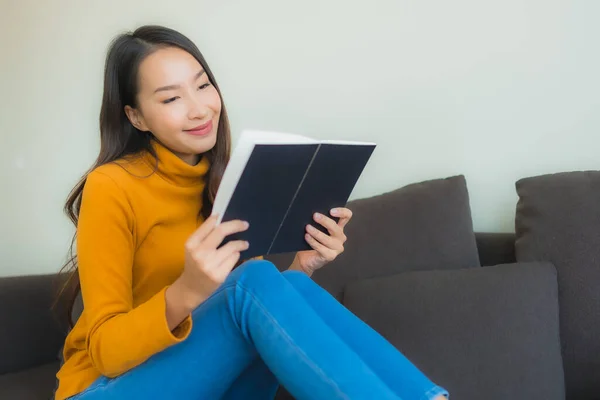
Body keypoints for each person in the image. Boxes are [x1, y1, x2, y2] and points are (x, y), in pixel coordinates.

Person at [53, 25, 449, 400]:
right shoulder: (112, 185)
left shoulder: (230, 179)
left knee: (287, 285)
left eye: (203, 85)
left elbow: (252, 321)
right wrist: (187, 291)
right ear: (136, 117)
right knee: (254, 279)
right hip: (107, 387)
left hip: (206, 385)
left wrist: (303, 266)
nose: (199, 109)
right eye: (171, 98)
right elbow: (105, 351)